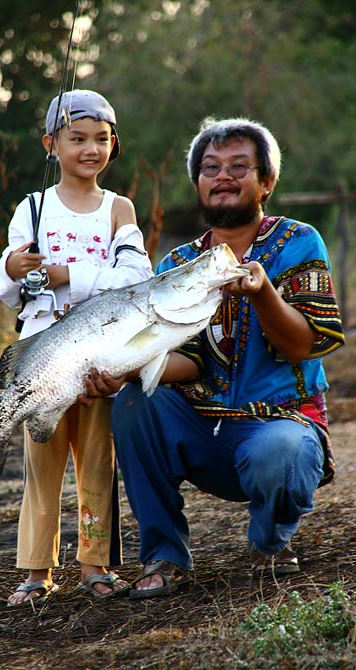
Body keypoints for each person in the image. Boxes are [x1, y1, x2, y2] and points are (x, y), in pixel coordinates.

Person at [81, 116, 345, 598]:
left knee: (281, 455)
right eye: (210, 167)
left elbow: (303, 345)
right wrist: (122, 371)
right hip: (202, 430)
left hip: (279, 429)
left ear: (266, 182)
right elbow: (188, 362)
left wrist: (263, 292)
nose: (223, 175)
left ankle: (270, 544)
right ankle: (164, 555)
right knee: (136, 400)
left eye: (239, 166)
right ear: (198, 183)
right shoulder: (178, 265)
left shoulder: (298, 242)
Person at [0, 89, 153, 605]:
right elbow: (11, 281)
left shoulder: (119, 208)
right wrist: (12, 269)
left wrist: (65, 273)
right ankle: (37, 571)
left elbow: (134, 276)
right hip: (43, 357)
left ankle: (94, 564)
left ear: (114, 145)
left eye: (101, 139)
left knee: (96, 461)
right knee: (42, 467)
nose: (90, 148)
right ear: (51, 144)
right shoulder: (31, 207)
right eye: (77, 138)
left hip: (100, 358)